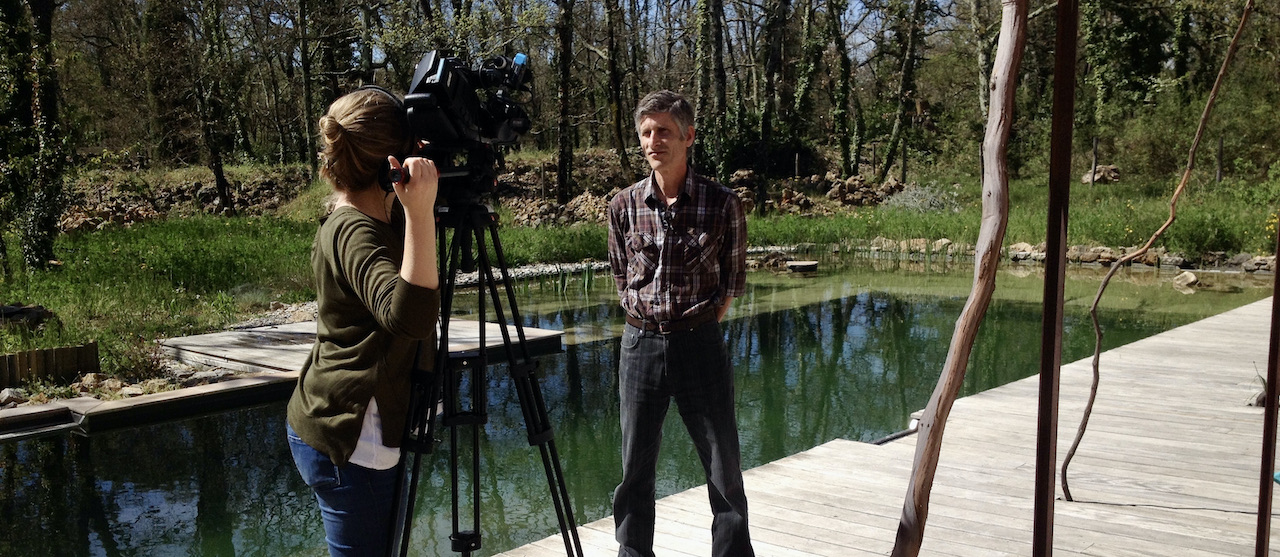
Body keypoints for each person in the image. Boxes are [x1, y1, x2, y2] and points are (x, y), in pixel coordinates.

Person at [286, 87, 441, 557]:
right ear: (388, 163)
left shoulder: (373, 215)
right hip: (353, 438)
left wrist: (418, 202)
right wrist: (419, 211)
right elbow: (409, 316)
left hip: (337, 420)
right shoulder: (355, 230)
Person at [607, 90, 755, 557]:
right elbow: (619, 275)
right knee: (634, 471)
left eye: (665, 131)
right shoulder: (623, 206)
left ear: (688, 137)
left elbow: (731, 285)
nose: (655, 141)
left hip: (700, 346)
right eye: (647, 132)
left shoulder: (723, 204)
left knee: (723, 471)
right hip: (639, 348)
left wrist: (695, 327)